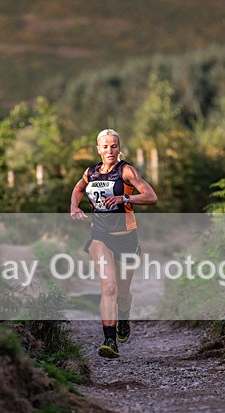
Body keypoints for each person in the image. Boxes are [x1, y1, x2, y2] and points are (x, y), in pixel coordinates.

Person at [70, 128, 158, 358]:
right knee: (109, 287)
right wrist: (74, 207)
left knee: (122, 294)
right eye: (105, 146)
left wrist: (125, 197)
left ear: (119, 148)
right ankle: (109, 340)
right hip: (100, 236)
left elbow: (151, 196)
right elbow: (78, 188)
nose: (110, 150)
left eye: (114, 146)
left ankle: (124, 315)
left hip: (127, 239)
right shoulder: (91, 173)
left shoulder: (126, 171)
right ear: (98, 149)